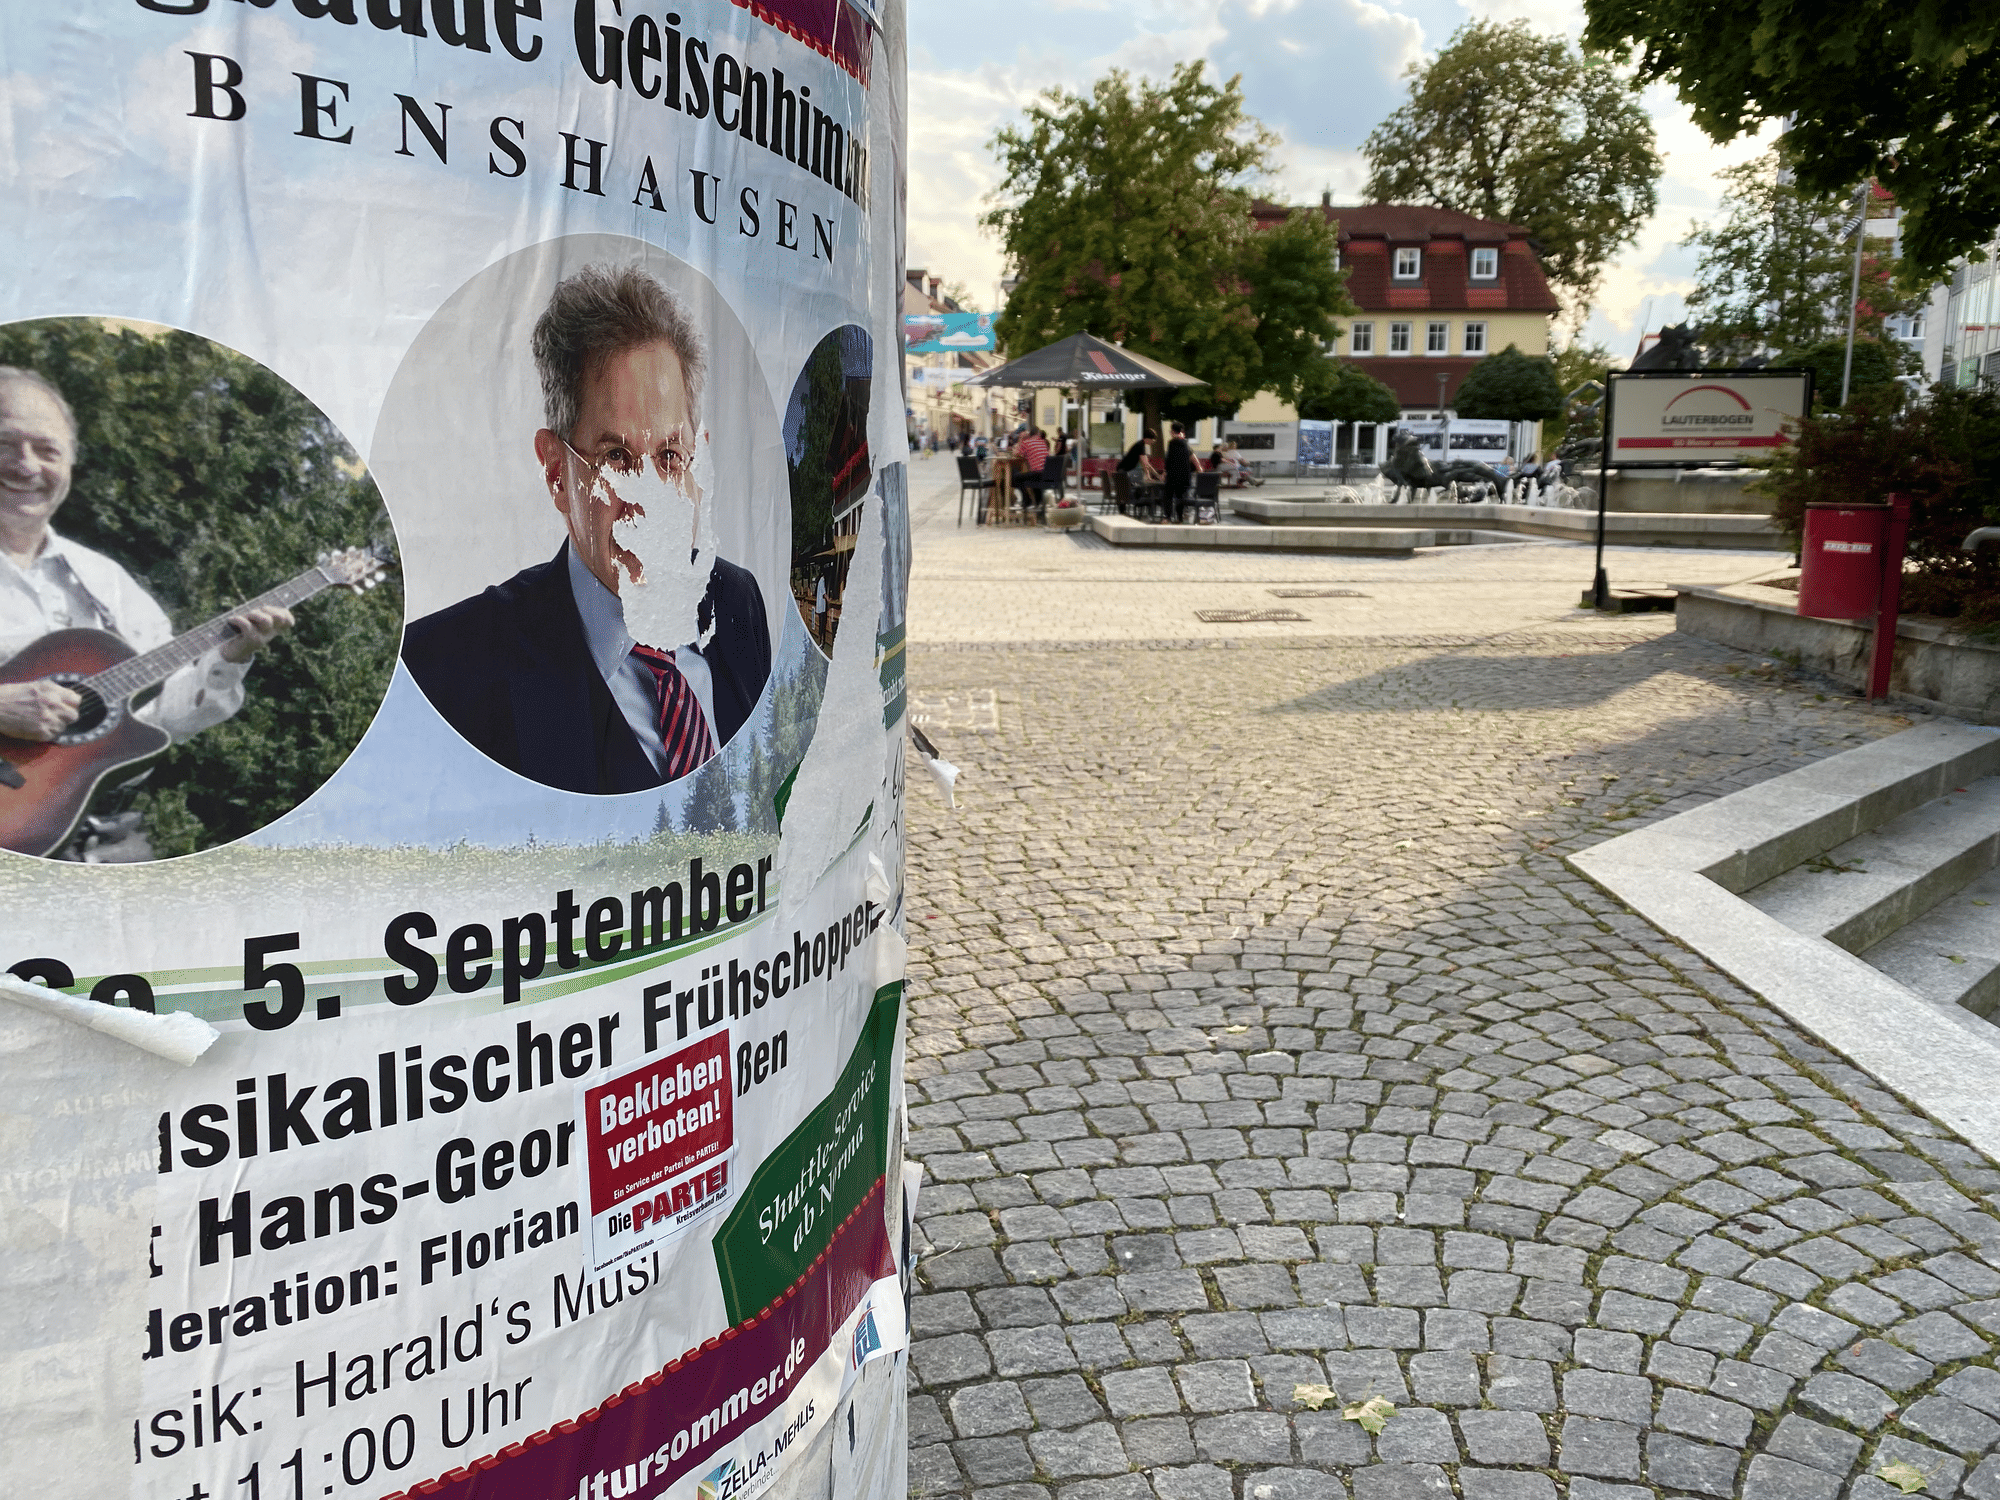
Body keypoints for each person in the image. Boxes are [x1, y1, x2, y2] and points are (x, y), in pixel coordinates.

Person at [402, 265, 772, 795]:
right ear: (556, 472)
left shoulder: (737, 603)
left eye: (670, 456)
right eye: (616, 458)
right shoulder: (443, 672)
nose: (650, 502)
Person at [0, 365, 293, 768]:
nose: (26, 466)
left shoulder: (104, 580)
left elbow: (161, 718)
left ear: (70, 464)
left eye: (47, 450)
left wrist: (228, 658)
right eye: (5, 444)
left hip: (61, 805)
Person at [1162, 422, 1194, 523]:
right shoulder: (1185, 443)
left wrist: (1165, 472)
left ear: (1172, 431)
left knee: (1168, 496)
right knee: (1180, 496)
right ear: (1181, 431)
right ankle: (1179, 517)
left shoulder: (1172, 443)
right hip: (1184, 475)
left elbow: (1169, 459)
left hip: (1173, 475)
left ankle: (1167, 517)